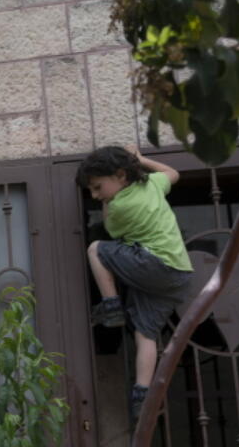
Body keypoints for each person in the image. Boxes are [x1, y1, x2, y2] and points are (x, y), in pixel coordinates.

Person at [77, 144, 193, 423]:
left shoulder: (120, 205)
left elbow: (111, 231)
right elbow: (172, 173)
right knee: (146, 333)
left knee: (96, 250)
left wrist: (105, 204)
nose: (95, 195)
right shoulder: (153, 184)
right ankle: (143, 394)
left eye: (96, 188)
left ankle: (111, 306)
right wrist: (143, 160)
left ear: (119, 175)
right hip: (178, 275)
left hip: (153, 265)